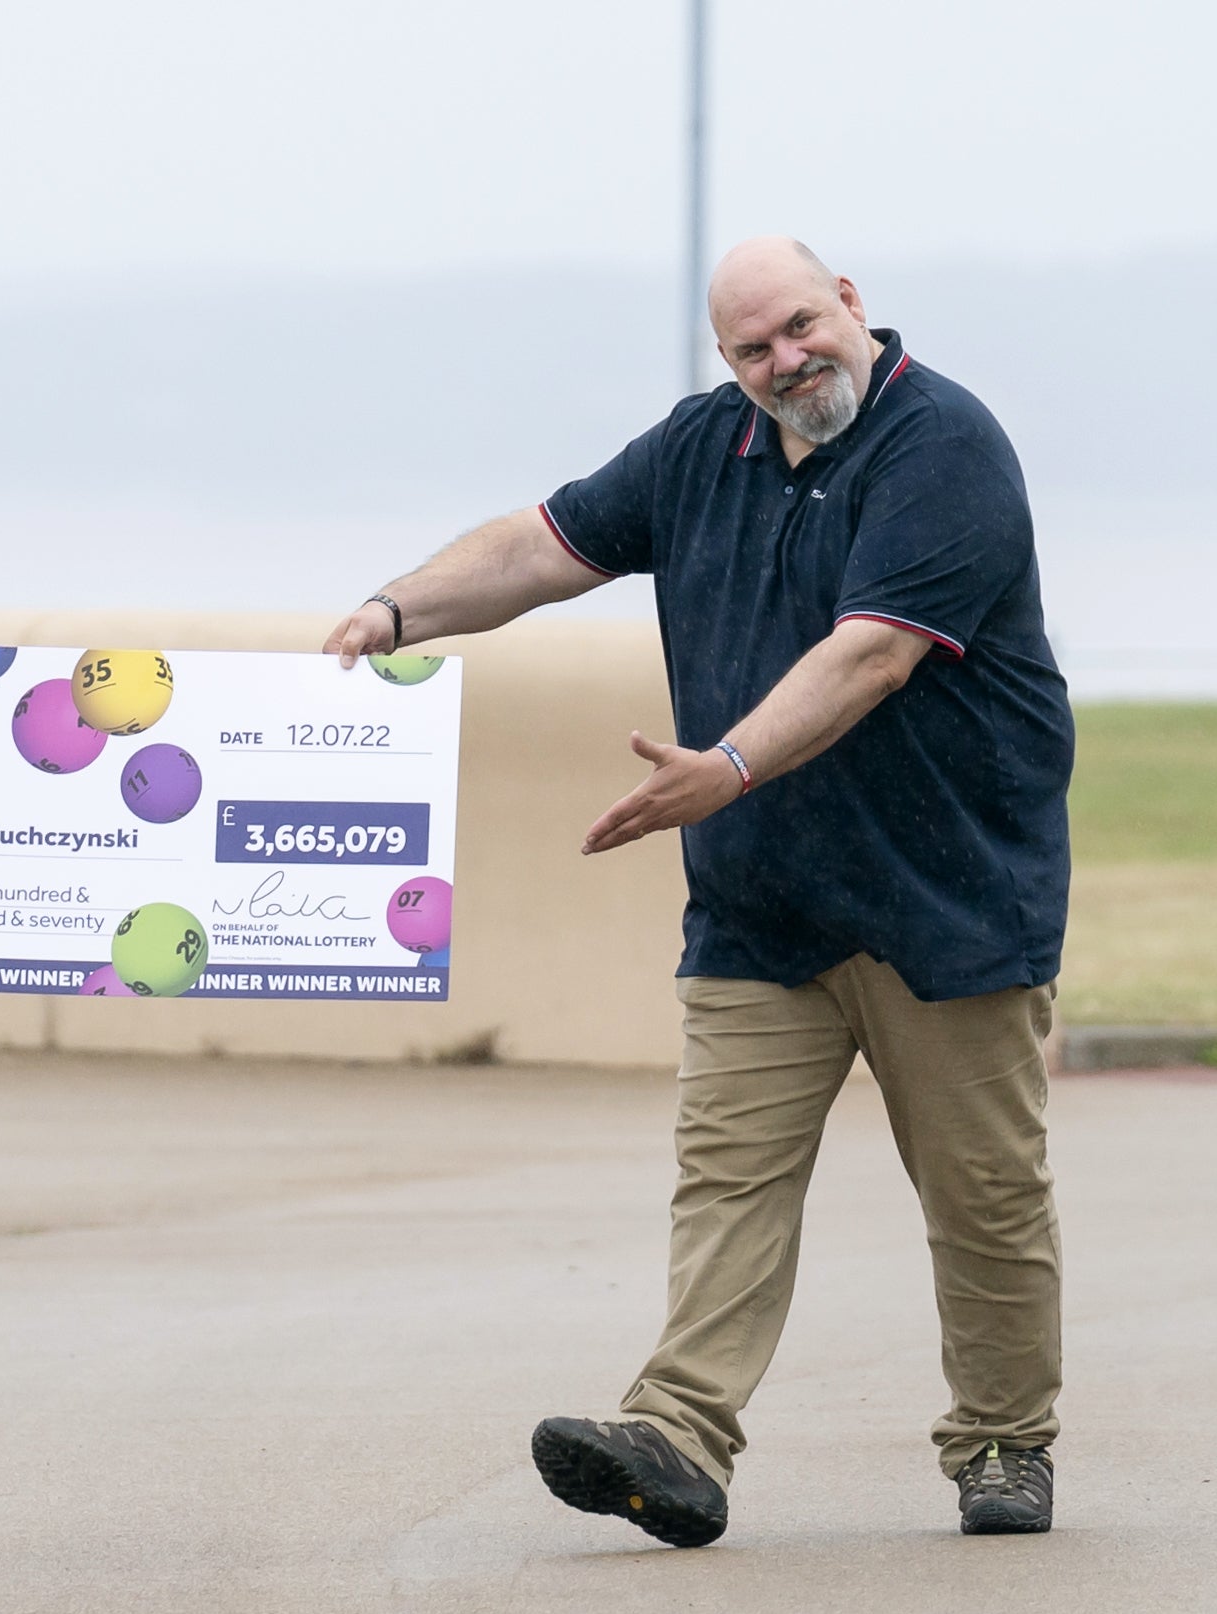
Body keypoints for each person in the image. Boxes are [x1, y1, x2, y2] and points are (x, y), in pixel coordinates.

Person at [326, 238, 1073, 1546]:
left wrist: (725, 764)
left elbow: (872, 657)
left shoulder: (940, 445)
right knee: (726, 1176)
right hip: (763, 903)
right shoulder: (700, 450)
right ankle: (676, 1433)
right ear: (725, 363)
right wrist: (396, 611)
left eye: (799, 327)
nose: (787, 363)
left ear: (851, 301)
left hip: (948, 893)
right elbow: (539, 547)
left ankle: (1004, 1438)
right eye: (752, 350)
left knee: (980, 1192)